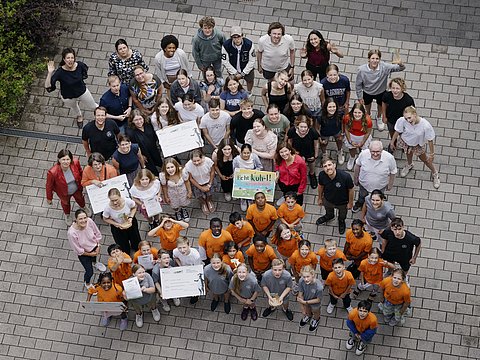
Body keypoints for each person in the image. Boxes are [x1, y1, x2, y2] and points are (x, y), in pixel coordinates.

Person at [45, 48, 98, 128]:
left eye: (72, 58)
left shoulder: (80, 65)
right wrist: (49, 73)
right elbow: (48, 86)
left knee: (93, 106)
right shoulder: (60, 72)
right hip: (68, 96)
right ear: (64, 59)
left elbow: (84, 73)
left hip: (82, 91)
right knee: (74, 107)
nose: (70, 60)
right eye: (68, 58)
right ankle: (79, 116)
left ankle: (102, 115)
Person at [390, 106, 440, 188]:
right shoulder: (402, 120)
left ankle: (435, 173)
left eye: (409, 118)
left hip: (418, 145)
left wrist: (432, 154)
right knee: (408, 153)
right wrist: (392, 142)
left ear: (415, 114)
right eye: (406, 118)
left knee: (426, 160)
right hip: (406, 142)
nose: (408, 121)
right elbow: (397, 131)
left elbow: (430, 140)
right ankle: (409, 164)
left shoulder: (425, 125)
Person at [355, 49, 405, 131]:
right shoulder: (361, 70)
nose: (375, 61)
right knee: (367, 106)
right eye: (373, 58)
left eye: (377, 59)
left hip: (381, 92)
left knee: (380, 106)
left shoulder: (385, 67)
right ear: (369, 59)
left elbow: (400, 68)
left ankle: (378, 116)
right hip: (367, 92)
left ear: (380, 59)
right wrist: (360, 97)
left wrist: (401, 64)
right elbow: (358, 84)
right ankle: (368, 116)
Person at [352, 140, 397, 212]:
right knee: (362, 196)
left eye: (378, 152)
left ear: (382, 150)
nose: (375, 154)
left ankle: (377, 208)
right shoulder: (363, 154)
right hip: (364, 184)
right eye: (373, 151)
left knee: (378, 198)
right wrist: (355, 179)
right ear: (369, 150)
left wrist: (390, 185)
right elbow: (357, 166)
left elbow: (393, 172)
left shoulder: (389, 158)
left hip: (380, 186)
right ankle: (359, 204)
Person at [46, 149, 86, 226]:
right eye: (63, 159)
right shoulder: (52, 172)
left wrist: (84, 182)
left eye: (68, 159)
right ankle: (67, 215)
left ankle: (83, 207)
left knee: (80, 198)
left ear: (71, 160)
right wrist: (49, 198)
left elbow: (81, 172)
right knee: (65, 203)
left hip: (76, 188)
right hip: (63, 192)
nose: (66, 162)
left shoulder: (76, 162)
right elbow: (49, 186)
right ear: (59, 160)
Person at [315, 156, 354, 234]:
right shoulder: (322, 175)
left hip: (342, 202)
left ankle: (341, 221)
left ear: (334, 165)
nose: (328, 168)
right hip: (328, 200)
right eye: (325, 166)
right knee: (328, 211)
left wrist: (350, 203)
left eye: (329, 165)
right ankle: (329, 216)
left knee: (342, 215)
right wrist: (319, 198)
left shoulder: (345, 177)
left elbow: (351, 189)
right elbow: (320, 186)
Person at [68, 209, 105, 289]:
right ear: (76, 219)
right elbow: (78, 250)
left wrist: (98, 245)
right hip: (84, 254)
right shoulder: (72, 233)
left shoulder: (89, 221)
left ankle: (95, 263)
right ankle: (87, 283)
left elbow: (97, 233)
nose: (84, 220)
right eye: (80, 219)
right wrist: (90, 254)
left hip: (94, 247)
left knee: (95, 258)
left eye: (85, 218)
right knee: (89, 271)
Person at [102, 188, 142, 255]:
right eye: (112, 200)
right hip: (118, 228)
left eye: (116, 200)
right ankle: (127, 253)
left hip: (130, 223)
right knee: (122, 243)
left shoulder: (127, 201)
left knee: (135, 239)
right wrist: (116, 224)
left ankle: (137, 250)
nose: (115, 202)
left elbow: (134, 208)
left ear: (120, 196)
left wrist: (131, 217)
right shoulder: (107, 208)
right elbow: (105, 218)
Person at [286, 115, 319, 190]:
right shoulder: (292, 131)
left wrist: (316, 153)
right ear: (297, 126)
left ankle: (312, 174)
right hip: (297, 151)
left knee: (311, 163)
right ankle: (299, 177)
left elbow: (316, 143)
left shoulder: (312, 131)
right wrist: (291, 152)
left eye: (305, 127)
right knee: (297, 164)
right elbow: (290, 141)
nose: (303, 129)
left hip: (309, 150)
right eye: (301, 127)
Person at [381, 78, 415, 150]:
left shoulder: (408, 100)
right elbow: (383, 103)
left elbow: (412, 112)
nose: (395, 91)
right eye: (393, 88)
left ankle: (404, 144)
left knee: (404, 134)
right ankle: (393, 144)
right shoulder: (387, 95)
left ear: (402, 89)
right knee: (392, 132)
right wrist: (384, 116)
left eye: (397, 88)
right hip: (391, 120)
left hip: (404, 122)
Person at [126, 109, 163, 176]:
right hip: (144, 154)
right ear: (132, 121)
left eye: (140, 119)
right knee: (152, 171)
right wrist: (141, 155)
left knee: (160, 164)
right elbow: (132, 146)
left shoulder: (148, 123)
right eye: (136, 120)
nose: (139, 122)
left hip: (154, 149)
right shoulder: (130, 132)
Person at [222, 26, 256, 92]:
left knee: (250, 80)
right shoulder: (226, 45)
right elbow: (225, 61)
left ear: (242, 36)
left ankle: (249, 92)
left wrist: (243, 73)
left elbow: (252, 60)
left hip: (247, 68)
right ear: (231, 38)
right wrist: (234, 72)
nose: (237, 39)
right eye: (234, 37)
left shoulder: (249, 44)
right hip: (233, 69)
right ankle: (237, 91)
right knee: (234, 82)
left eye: (238, 37)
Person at [159, 157, 192, 222]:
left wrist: (189, 191)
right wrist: (166, 196)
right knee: (174, 205)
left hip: (182, 191)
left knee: (184, 202)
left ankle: (183, 210)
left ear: (176, 166)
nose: (170, 170)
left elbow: (186, 181)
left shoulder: (182, 172)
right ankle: (177, 212)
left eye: (172, 167)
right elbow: (164, 187)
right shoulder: (163, 176)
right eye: (168, 168)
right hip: (172, 194)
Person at [184, 149, 216, 214]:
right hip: (197, 183)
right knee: (199, 196)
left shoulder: (208, 161)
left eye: (198, 160)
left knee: (210, 193)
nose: (196, 163)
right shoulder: (188, 165)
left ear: (202, 157)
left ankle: (209, 201)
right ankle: (203, 203)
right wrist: (201, 188)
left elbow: (212, 172)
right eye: (194, 161)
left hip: (208, 181)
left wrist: (209, 184)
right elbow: (191, 178)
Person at [343, 103, 373, 170]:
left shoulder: (368, 121)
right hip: (351, 136)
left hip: (363, 137)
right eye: (355, 112)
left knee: (363, 150)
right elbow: (346, 129)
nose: (357, 115)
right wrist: (350, 141)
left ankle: (362, 159)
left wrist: (362, 142)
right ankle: (352, 158)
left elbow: (368, 132)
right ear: (352, 112)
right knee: (352, 148)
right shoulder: (347, 118)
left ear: (363, 113)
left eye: (359, 112)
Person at [297, 265, 324, 332]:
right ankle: (308, 316)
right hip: (305, 301)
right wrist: (303, 308)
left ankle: (316, 319)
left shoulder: (319, 287)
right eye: (304, 277)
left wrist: (305, 302)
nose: (306, 279)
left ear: (313, 275)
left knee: (316, 312)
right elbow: (300, 293)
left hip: (315, 304)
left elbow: (318, 299)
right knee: (307, 310)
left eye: (308, 276)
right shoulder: (301, 281)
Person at [319, 97, 344, 164]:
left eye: (334, 106)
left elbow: (343, 123)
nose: (332, 109)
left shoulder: (340, 113)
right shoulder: (320, 115)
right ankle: (324, 154)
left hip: (337, 130)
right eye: (330, 107)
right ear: (326, 107)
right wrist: (319, 138)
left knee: (339, 141)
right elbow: (317, 127)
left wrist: (342, 133)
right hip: (325, 132)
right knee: (324, 143)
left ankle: (339, 151)